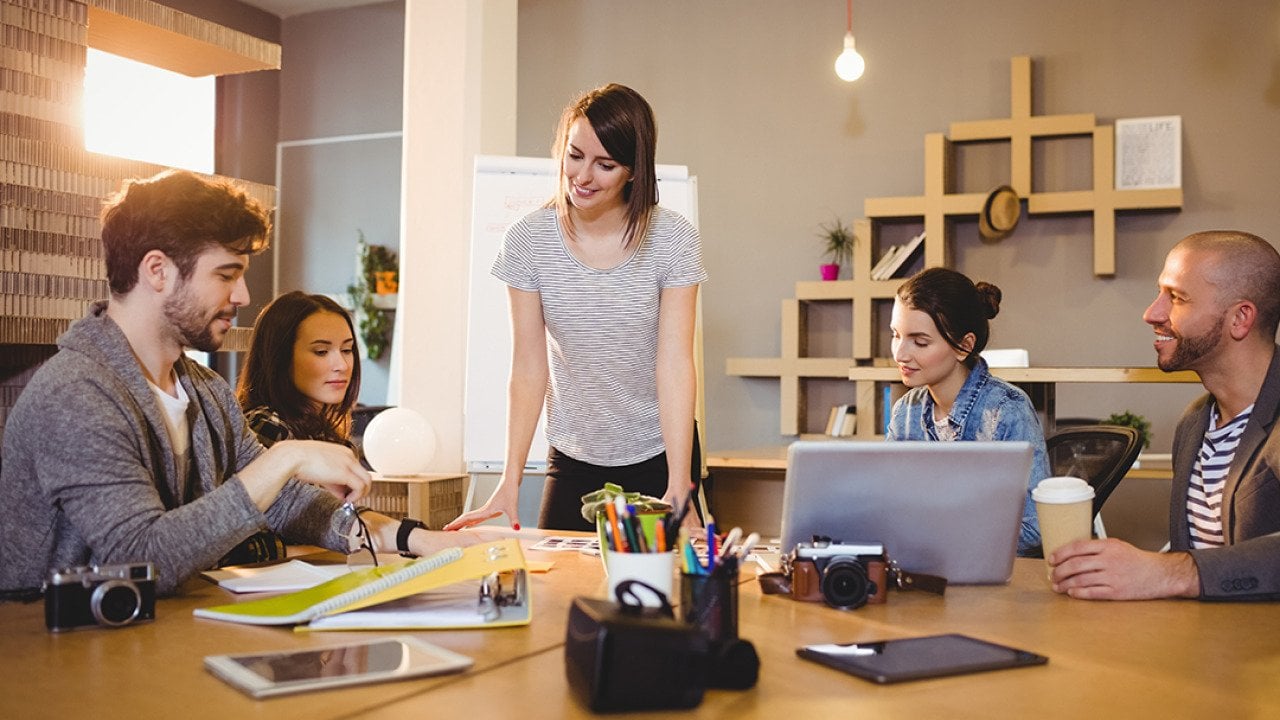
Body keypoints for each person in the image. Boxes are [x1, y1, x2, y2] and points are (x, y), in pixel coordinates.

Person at [0, 170, 456, 598]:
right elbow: (139, 558)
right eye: (226, 275)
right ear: (157, 271)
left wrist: (419, 539)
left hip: (153, 639)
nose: (242, 297)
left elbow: (285, 502)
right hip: (55, 654)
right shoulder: (76, 394)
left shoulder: (204, 389)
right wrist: (285, 458)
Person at [445, 83, 707, 532]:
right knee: (559, 593)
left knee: (668, 593)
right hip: (575, 457)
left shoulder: (673, 238)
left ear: (633, 171)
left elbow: (675, 362)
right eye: (574, 155)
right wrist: (509, 480)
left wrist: (681, 480)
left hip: (660, 454)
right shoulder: (528, 240)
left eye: (605, 164)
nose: (583, 176)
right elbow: (529, 366)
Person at [1050, 231, 1280, 601]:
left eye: (1177, 298)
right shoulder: (1193, 423)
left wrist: (1170, 572)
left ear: (1240, 318)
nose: (1152, 313)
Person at [887, 267, 1049, 555]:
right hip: (923, 567)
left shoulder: (1007, 410)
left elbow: (1034, 529)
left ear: (963, 346)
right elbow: (889, 505)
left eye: (920, 342)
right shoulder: (905, 412)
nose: (900, 354)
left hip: (992, 582)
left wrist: (936, 532)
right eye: (896, 335)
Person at [237, 291, 361, 450]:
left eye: (346, 350)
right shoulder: (268, 427)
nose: (342, 365)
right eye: (321, 352)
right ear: (281, 357)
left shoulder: (321, 429)